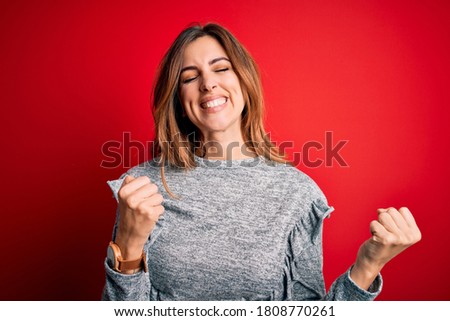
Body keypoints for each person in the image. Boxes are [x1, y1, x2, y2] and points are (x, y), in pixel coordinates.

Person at [102, 23, 421, 301]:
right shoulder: (141, 188)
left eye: (221, 68)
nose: (208, 83)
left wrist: (367, 266)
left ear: (243, 81)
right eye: (190, 76)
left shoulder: (297, 193)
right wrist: (128, 247)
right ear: (180, 102)